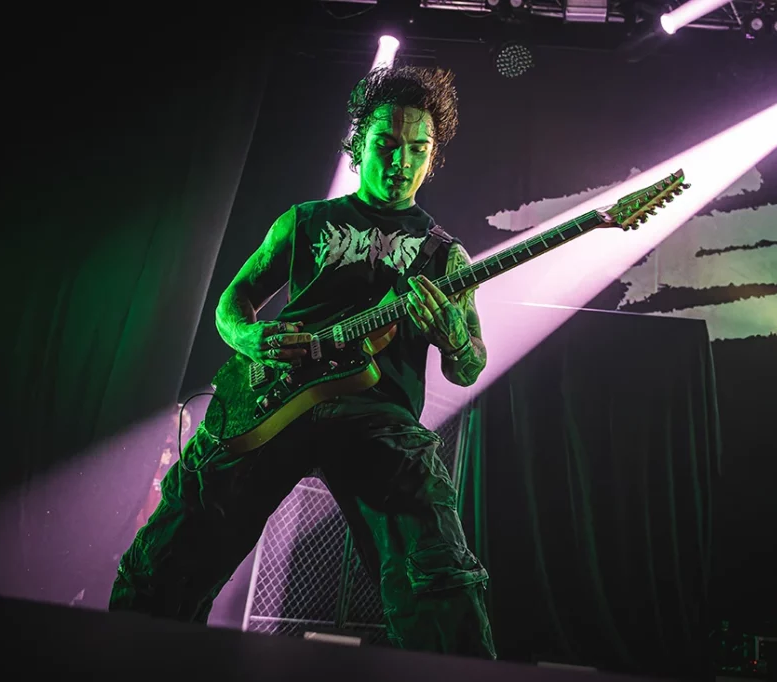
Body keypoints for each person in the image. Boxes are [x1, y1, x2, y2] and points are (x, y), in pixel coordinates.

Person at [110, 66, 496, 659]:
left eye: (418, 150)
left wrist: (451, 335)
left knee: (439, 584)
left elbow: (468, 367)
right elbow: (231, 305)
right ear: (358, 143)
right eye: (386, 146)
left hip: (378, 421)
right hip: (271, 403)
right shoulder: (305, 221)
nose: (401, 164)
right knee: (167, 561)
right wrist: (255, 340)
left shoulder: (446, 254)